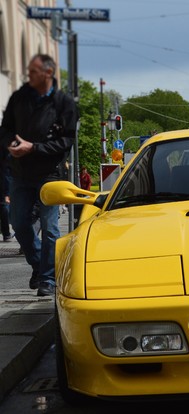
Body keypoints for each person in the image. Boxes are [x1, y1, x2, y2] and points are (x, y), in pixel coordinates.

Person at [0, 54, 78, 296]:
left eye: (33, 71)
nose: (28, 75)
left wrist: (33, 148)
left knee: (50, 227)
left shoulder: (64, 103)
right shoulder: (19, 98)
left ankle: (47, 279)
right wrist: (12, 144)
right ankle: (39, 265)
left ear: (48, 73)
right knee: (19, 222)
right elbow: (5, 130)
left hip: (49, 174)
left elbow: (66, 141)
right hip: (20, 172)